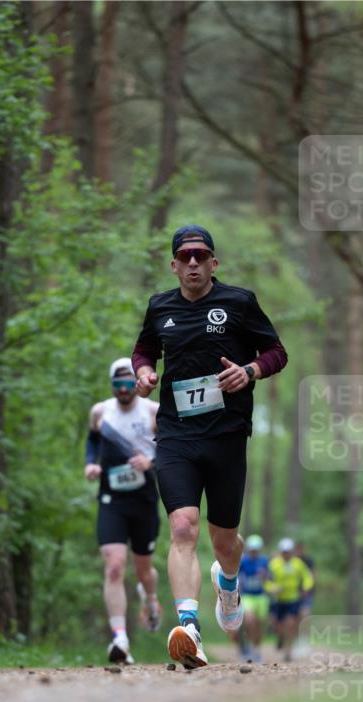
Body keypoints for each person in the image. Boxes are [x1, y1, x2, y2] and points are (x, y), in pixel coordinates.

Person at [132, 224, 288, 668]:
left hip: (226, 435)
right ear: (174, 265)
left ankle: (230, 581)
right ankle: (189, 628)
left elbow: (277, 352)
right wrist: (143, 372)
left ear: (214, 263)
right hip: (177, 433)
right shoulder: (160, 307)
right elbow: (144, 349)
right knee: (182, 527)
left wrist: (251, 371)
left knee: (223, 542)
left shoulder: (239, 302)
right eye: (186, 257)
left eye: (202, 256)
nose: (194, 263)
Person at [85, 358, 162, 665]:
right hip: (111, 498)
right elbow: (92, 442)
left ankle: (151, 599)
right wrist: (92, 463)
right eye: (118, 384)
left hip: (144, 498)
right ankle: (120, 638)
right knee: (115, 566)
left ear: (138, 384)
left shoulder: (154, 411)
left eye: (130, 383)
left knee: (143, 569)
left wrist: (151, 462)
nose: (125, 390)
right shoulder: (100, 412)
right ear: (111, 385)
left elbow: (172, 447)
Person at [267, 537, 314, 662]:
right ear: (281, 551)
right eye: (284, 551)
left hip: (293, 599)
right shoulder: (274, 564)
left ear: (291, 552)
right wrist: (273, 588)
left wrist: (306, 587)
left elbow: (307, 577)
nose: (286, 554)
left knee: (290, 624)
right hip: (278, 600)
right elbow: (266, 581)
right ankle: (281, 637)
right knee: (278, 626)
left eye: (288, 551)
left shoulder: (298, 564)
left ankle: (288, 651)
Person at [237, 534, 270, 663]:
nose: (254, 552)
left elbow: (270, 578)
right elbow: (237, 576)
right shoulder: (243, 561)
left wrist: (265, 575)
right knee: (250, 621)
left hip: (261, 597)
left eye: (256, 549)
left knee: (260, 625)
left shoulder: (264, 561)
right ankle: (249, 647)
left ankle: (256, 649)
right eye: (252, 549)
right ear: (248, 549)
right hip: (248, 596)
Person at [294, 540, 316, 621]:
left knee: (305, 612)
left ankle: (305, 632)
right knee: (295, 615)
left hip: (307, 592)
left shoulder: (309, 561)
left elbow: (313, 575)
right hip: (294, 592)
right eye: (298, 549)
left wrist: (307, 589)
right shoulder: (293, 562)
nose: (299, 552)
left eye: (301, 549)